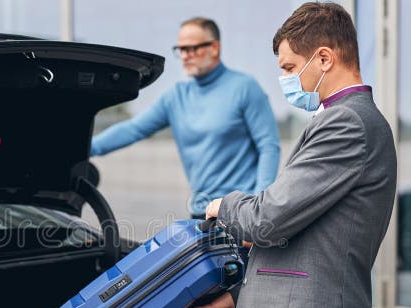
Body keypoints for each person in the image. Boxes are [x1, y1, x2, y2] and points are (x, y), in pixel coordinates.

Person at [170, 2, 397, 308]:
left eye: (291, 68)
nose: (287, 80)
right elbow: (308, 241)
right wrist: (231, 297)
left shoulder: (349, 123)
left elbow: (270, 218)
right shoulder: (334, 121)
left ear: (324, 58)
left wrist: (223, 205)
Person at [90, 17, 280, 217]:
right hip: (202, 212)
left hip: (241, 211)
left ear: (214, 48)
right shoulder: (176, 97)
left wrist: (257, 206)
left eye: (193, 48)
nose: (186, 56)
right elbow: (133, 129)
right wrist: (83, 148)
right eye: (181, 49)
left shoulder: (245, 87)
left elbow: (269, 145)